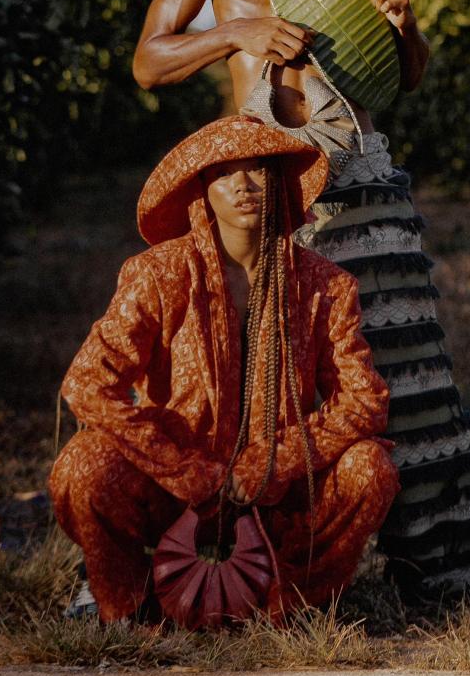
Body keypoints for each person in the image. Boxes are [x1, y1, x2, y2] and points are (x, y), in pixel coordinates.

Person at [132, 0, 470, 611]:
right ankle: (221, 571)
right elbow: (148, 61)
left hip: (367, 189)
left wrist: (405, 27)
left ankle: (449, 572)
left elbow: (405, 79)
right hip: (264, 187)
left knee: (405, 375)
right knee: (245, 375)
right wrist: (236, 30)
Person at [49, 115, 398, 624]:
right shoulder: (157, 274)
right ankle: (125, 604)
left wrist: (271, 464)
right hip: (172, 493)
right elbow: (87, 384)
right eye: (224, 172)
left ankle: (291, 605)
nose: (242, 184)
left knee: (371, 469)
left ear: (278, 179)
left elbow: (365, 401)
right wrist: (183, 468)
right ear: (201, 190)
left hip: (278, 497)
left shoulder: (327, 286)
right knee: (84, 464)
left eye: (257, 167)